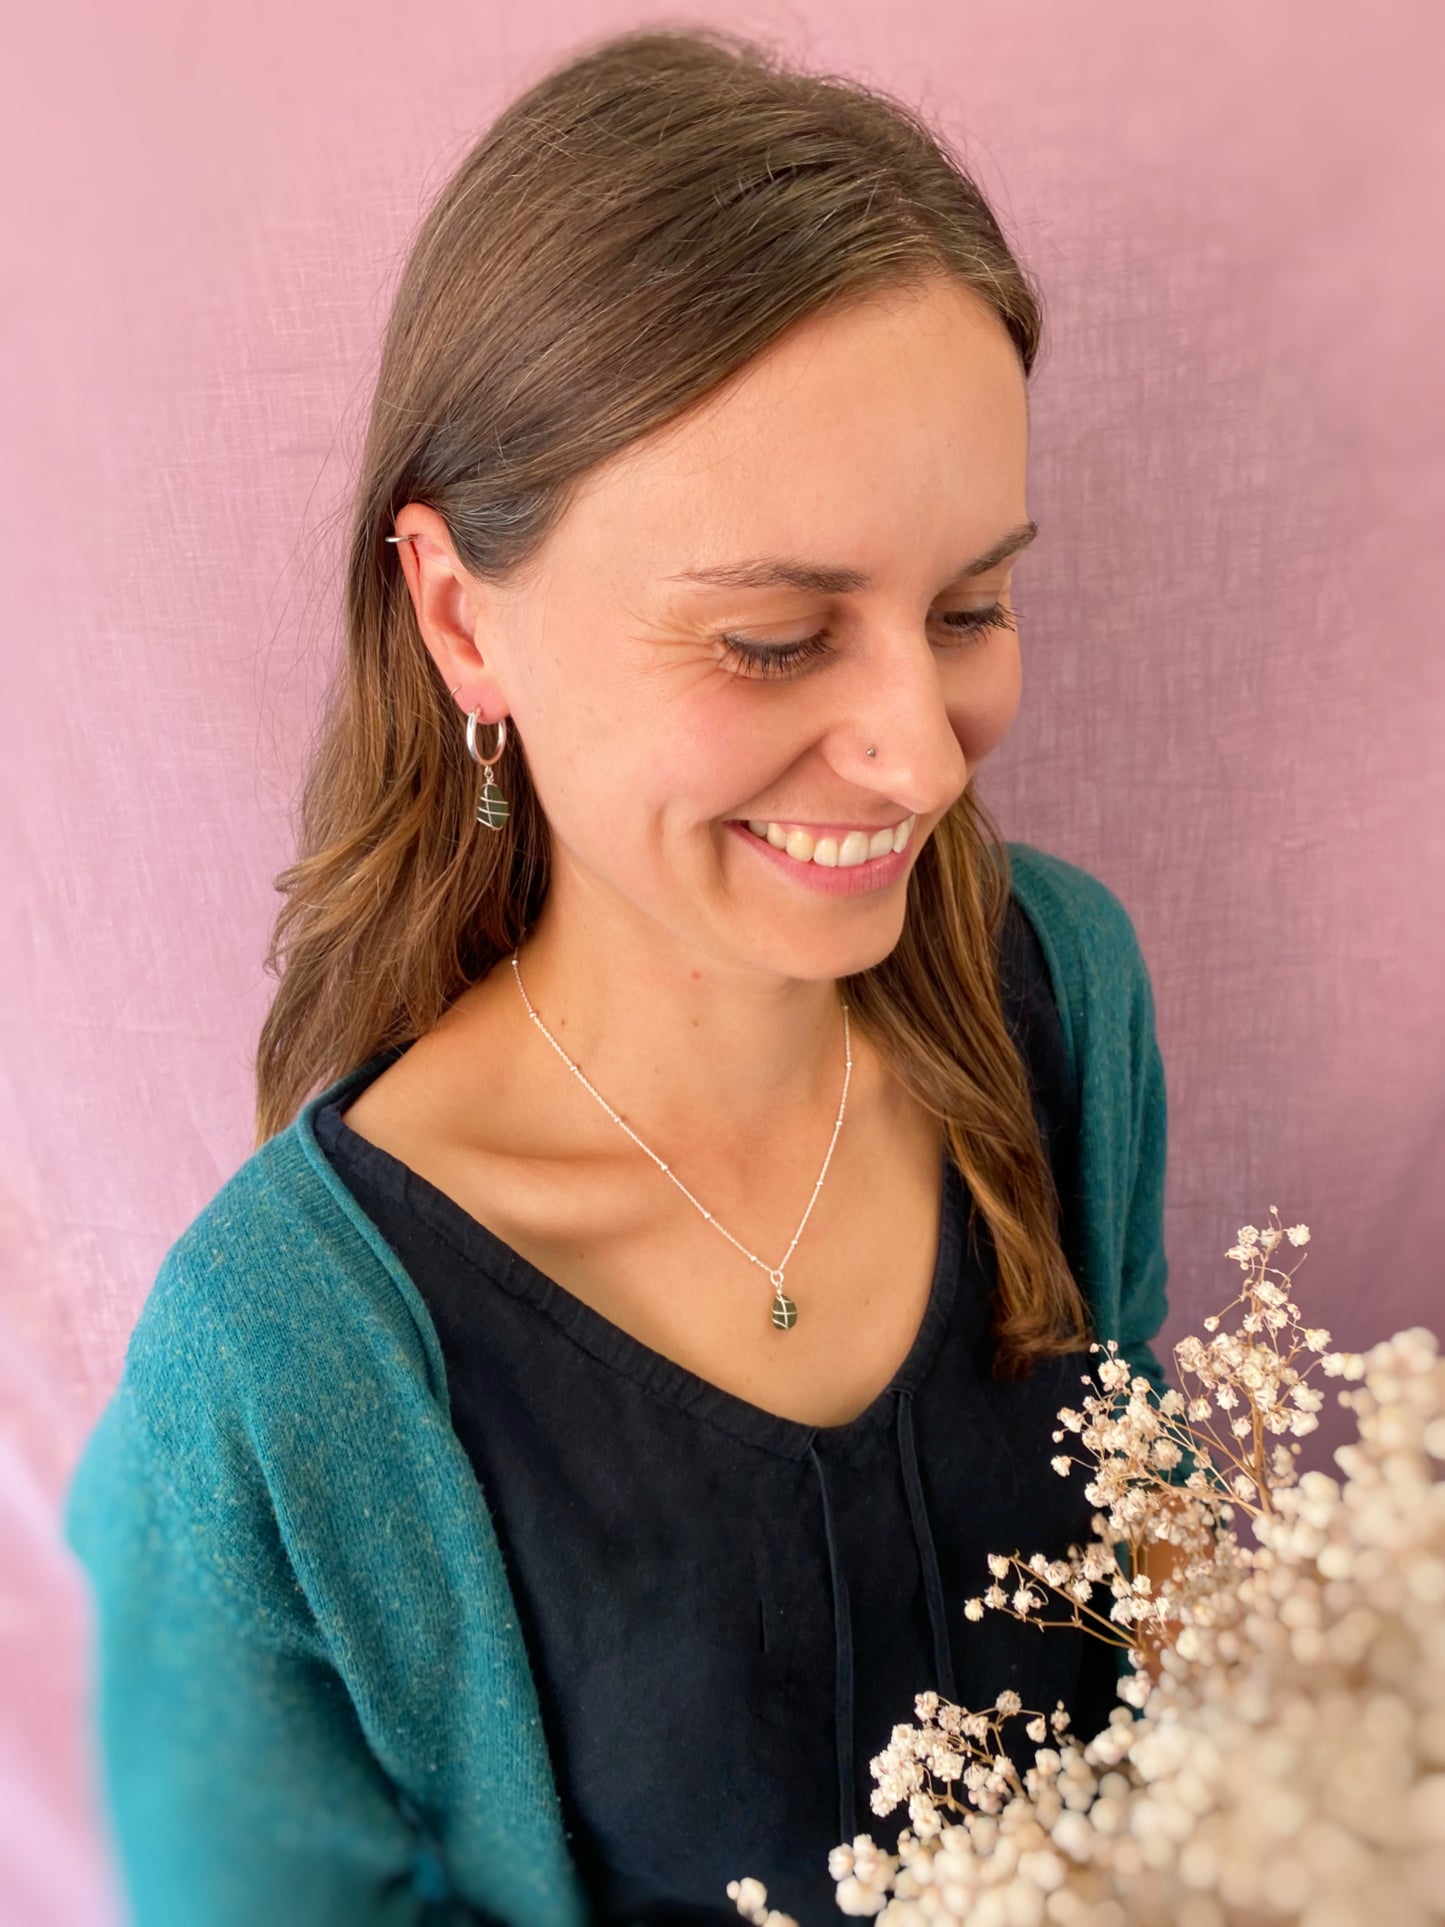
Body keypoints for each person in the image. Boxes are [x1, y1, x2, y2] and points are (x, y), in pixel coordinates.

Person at [63, 25, 1197, 1927]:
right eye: (772, 639)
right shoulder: (271, 1378)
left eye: (969, 608)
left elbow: (1168, 1626)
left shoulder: (1062, 993)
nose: (921, 757)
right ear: (457, 615)